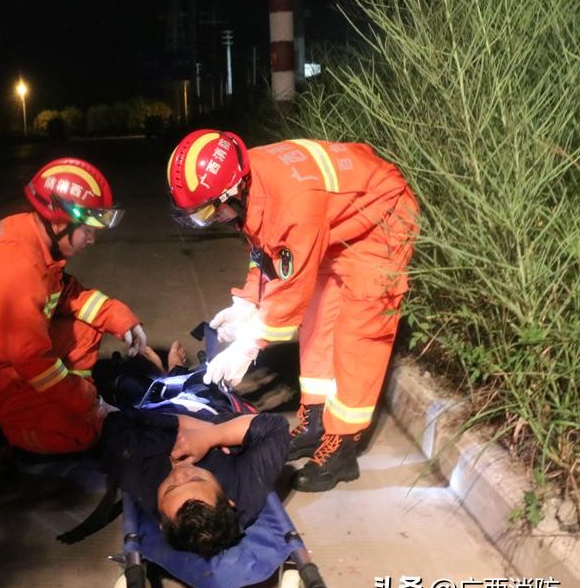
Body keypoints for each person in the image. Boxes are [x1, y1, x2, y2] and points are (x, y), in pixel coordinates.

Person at [165, 130, 419, 492]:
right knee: (317, 323)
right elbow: (268, 248)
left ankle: (343, 445)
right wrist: (247, 299)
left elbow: (291, 285)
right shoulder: (248, 177)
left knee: (358, 335)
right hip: (336, 224)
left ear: (233, 190)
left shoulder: (293, 201)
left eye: (208, 210)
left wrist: (251, 343)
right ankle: (315, 421)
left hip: (381, 222)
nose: (209, 220)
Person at [0, 157, 147, 455]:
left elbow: (67, 295)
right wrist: (86, 400)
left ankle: (67, 404)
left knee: (87, 331)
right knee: (80, 433)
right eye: (87, 230)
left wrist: (122, 319)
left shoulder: (33, 237)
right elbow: (32, 359)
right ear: (59, 223)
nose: (92, 240)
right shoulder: (17, 266)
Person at [98, 370, 291, 558]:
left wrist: (179, 423)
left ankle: (170, 369)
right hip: (205, 403)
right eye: (196, 478)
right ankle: (177, 368)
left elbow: (117, 422)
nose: (180, 474)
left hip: (156, 411)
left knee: (130, 385)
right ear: (230, 502)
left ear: (161, 522)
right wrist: (212, 435)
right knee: (200, 378)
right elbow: (276, 428)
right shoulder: (244, 489)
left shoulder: (137, 471)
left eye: (170, 488)